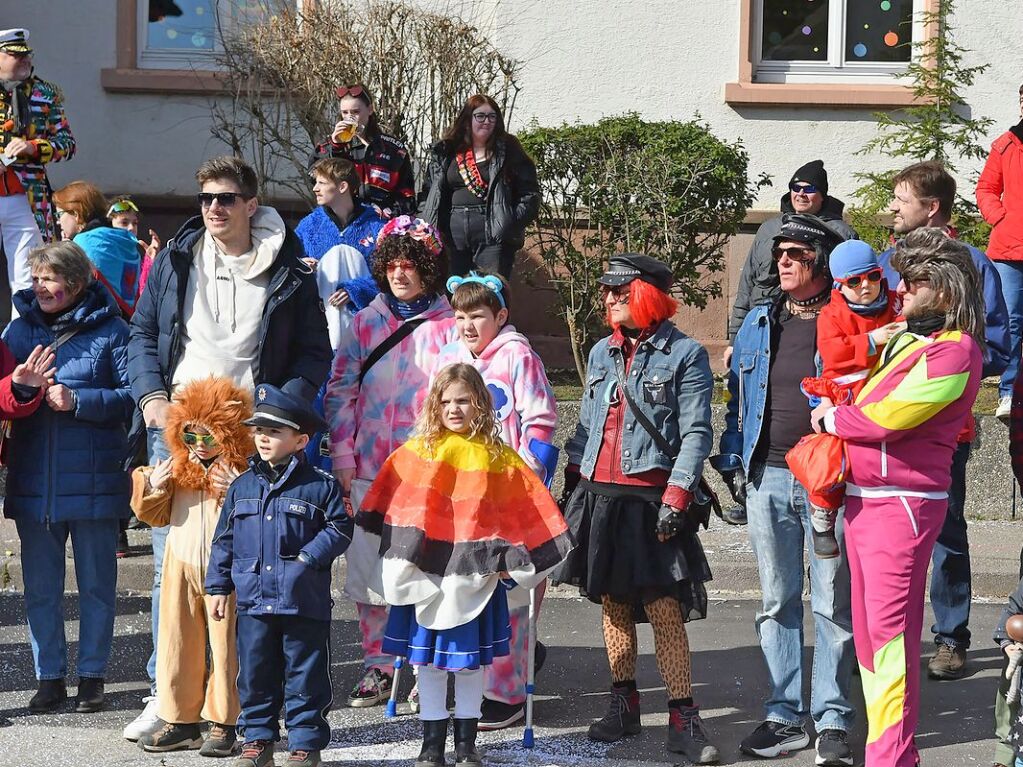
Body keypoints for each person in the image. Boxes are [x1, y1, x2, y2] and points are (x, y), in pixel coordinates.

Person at [124, 155, 331, 742]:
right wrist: (151, 400)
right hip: (179, 427)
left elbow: (315, 353)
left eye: (225, 197)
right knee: (176, 574)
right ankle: (174, 708)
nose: (214, 207)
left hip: (250, 438)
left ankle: (231, 714)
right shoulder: (175, 258)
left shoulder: (288, 265)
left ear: (251, 204)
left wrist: (278, 410)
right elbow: (142, 333)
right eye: (206, 198)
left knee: (240, 579)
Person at [810, 229, 984, 767]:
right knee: (871, 644)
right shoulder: (916, 341)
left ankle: (891, 759)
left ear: (947, 291)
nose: (899, 289)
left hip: (901, 504)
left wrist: (833, 417)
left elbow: (885, 417)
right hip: (869, 501)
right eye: (901, 278)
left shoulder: (956, 352)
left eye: (915, 281)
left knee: (889, 649)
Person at [357, 363, 573, 767]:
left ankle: (467, 745)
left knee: (471, 667)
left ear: (481, 405)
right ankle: (431, 746)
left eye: (463, 400)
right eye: (446, 401)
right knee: (430, 667)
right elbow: (387, 504)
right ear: (433, 405)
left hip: (476, 579)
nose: (454, 409)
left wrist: (516, 561)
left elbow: (529, 511)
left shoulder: (499, 460)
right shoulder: (416, 454)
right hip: (425, 579)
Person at [553, 254, 719, 764]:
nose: (607, 301)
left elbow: (695, 431)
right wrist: (570, 487)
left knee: (663, 607)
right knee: (613, 603)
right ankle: (622, 704)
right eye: (606, 292)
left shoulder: (686, 354)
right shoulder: (603, 352)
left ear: (646, 295)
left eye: (618, 292)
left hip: (652, 499)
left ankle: (683, 715)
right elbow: (586, 427)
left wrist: (677, 495)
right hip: (601, 495)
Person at [714, 213, 855, 765]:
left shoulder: (845, 321)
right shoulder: (758, 321)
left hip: (828, 479)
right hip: (766, 473)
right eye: (780, 254)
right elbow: (739, 398)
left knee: (831, 602)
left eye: (796, 254)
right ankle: (783, 714)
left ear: (820, 261)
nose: (784, 262)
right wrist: (731, 460)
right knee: (777, 601)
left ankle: (834, 719)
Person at [879, 160, 1011, 681]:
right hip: (880, 423)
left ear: (931, 208)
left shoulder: (975, 265)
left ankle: (951, 637)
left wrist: (940, 361)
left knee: (946, 532)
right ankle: (884, 639)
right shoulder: (886, 264)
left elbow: (997, 345)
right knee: (880, 534)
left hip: (942, 427)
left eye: (902, 199)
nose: (892, 207)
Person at [322, 215, 457, 708]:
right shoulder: (364, 322)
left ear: (428, 267)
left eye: (411, 264)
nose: (400, 273)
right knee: (369, 570)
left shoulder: (451, 326)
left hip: (430, 470)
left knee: (428, 568)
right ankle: (378, 665)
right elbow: (340, 393)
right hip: (369, 467)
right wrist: (342, 455)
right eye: (392, 264)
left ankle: (427, 666)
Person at [4, 241, 134, 714]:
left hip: (97, 479)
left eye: (50, 278)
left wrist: (79, 401)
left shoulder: (113, 330)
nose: (40, 287)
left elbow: (132, 396)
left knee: (98, 586)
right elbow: (4, 394)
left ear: (77, 284)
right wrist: (21, 388)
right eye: (36, 278)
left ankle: (93, 678)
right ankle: (49, 678)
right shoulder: (18, 333)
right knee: (40, 588)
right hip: (34, 479)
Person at [206, 384, 353, 767]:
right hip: (253, 600)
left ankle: (305, 742)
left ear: (301, 439)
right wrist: (218, 586)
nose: (264, 439)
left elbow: (340, 528)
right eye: (259, 431)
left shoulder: (320, 486)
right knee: (255, 673)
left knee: (305, 675)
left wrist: (307, 557)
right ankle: (257, 739)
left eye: (275, 432)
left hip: (302, 599)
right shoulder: (242, 487)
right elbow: (224, 540)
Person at [435, 272, 557, 729]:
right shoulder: (449, 358)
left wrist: (524, 484)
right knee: (465, 590)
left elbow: (541, 423)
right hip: (459, 495)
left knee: (511, 592)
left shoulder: (517, 355)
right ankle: (471, 674)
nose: (468, 325)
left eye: (478, 316)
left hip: (507, 496)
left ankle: (505, 691)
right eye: (460, 315)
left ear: (500, 316)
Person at [130, 377, 253, 755]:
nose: (199, 448)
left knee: (227, 648)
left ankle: (224, 721)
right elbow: (152, 515)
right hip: (180, 566)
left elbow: (264, 516)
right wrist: (155, 485)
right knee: (176, 642)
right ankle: (180, 720)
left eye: (209, 438)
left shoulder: (247, 471)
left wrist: (241, 487)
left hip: (226, 573)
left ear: (229, 434)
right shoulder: (178, 466)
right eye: (190, 437)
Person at [805, 240, 903, 558]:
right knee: (831, 456)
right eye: (854, 281)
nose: (866, 287)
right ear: (839, 284)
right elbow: (834, 351)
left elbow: (908, 328)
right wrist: (872, 340)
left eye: (873, 277)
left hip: (879, 394)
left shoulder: (894, 304)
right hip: (843, 393)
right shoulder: (831, 314)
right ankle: (822, 516)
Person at [725, 160, 857, 364]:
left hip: (817, 330)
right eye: (796, 188)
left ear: (822, 196)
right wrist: (735, 340)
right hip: (761, 328)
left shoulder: (841, 234)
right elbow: (747, 285)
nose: (801, 194)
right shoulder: (769, 229)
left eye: (809, 189)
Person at [420, 95, 540, 279]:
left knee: (491, 291)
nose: (487, 121)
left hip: (492, 233)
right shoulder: (447, 151)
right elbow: (429, 193)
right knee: (454, 292)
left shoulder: (509, 149)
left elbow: (529, 194)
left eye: (492, 117)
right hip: (452, 234)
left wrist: (508, 223)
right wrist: (425, 222)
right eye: (480, 116)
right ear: (468, 119)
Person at [0, 28, 75, 304]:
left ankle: (19, 343)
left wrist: (34, 147)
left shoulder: (44, 94)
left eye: (26, 55)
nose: (23, 61)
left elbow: (67, 143)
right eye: (13, 55)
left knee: (26, 279)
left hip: (25, 198)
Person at [294, 158, 384, 348]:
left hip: (368, 333)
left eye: (322, 183)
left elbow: (389, 276)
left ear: (343, 186)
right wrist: (301, 265)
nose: (315, 189)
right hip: (318, 331)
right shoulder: (308, 227)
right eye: (315, 182)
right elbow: (289, 267)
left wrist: (356, 289)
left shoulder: (376, 226)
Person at [977, 85, 1023, 419]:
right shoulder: (1006, 144)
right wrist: (1001, 218)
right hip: (1009, 251)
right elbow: (987, 189)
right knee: (1011, 324)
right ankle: (1009, 393)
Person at [311, 84, 415, 216]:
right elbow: (315, 179)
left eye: (355, 112)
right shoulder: (330, 145)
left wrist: (391, 213)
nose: (349, 118)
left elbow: (407, 196)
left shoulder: (393, 149)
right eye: (345, 113)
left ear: (370, 109)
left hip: (382, 226)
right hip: (343, 222)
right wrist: (336, 146)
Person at [53, 181, 141, 315]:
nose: (58, 221)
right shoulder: (124, 241)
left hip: (95, 322)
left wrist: (64, 251)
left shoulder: (83, 242)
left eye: (59, 215)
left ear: (76, 214)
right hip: (127, 321)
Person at [106, 195, 162, 298]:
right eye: (124, 222)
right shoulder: (103, 252)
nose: (131, 228)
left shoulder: (134, 257)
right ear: (109, 224)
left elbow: (142, 297)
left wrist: (150, 261)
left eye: (135, 223)